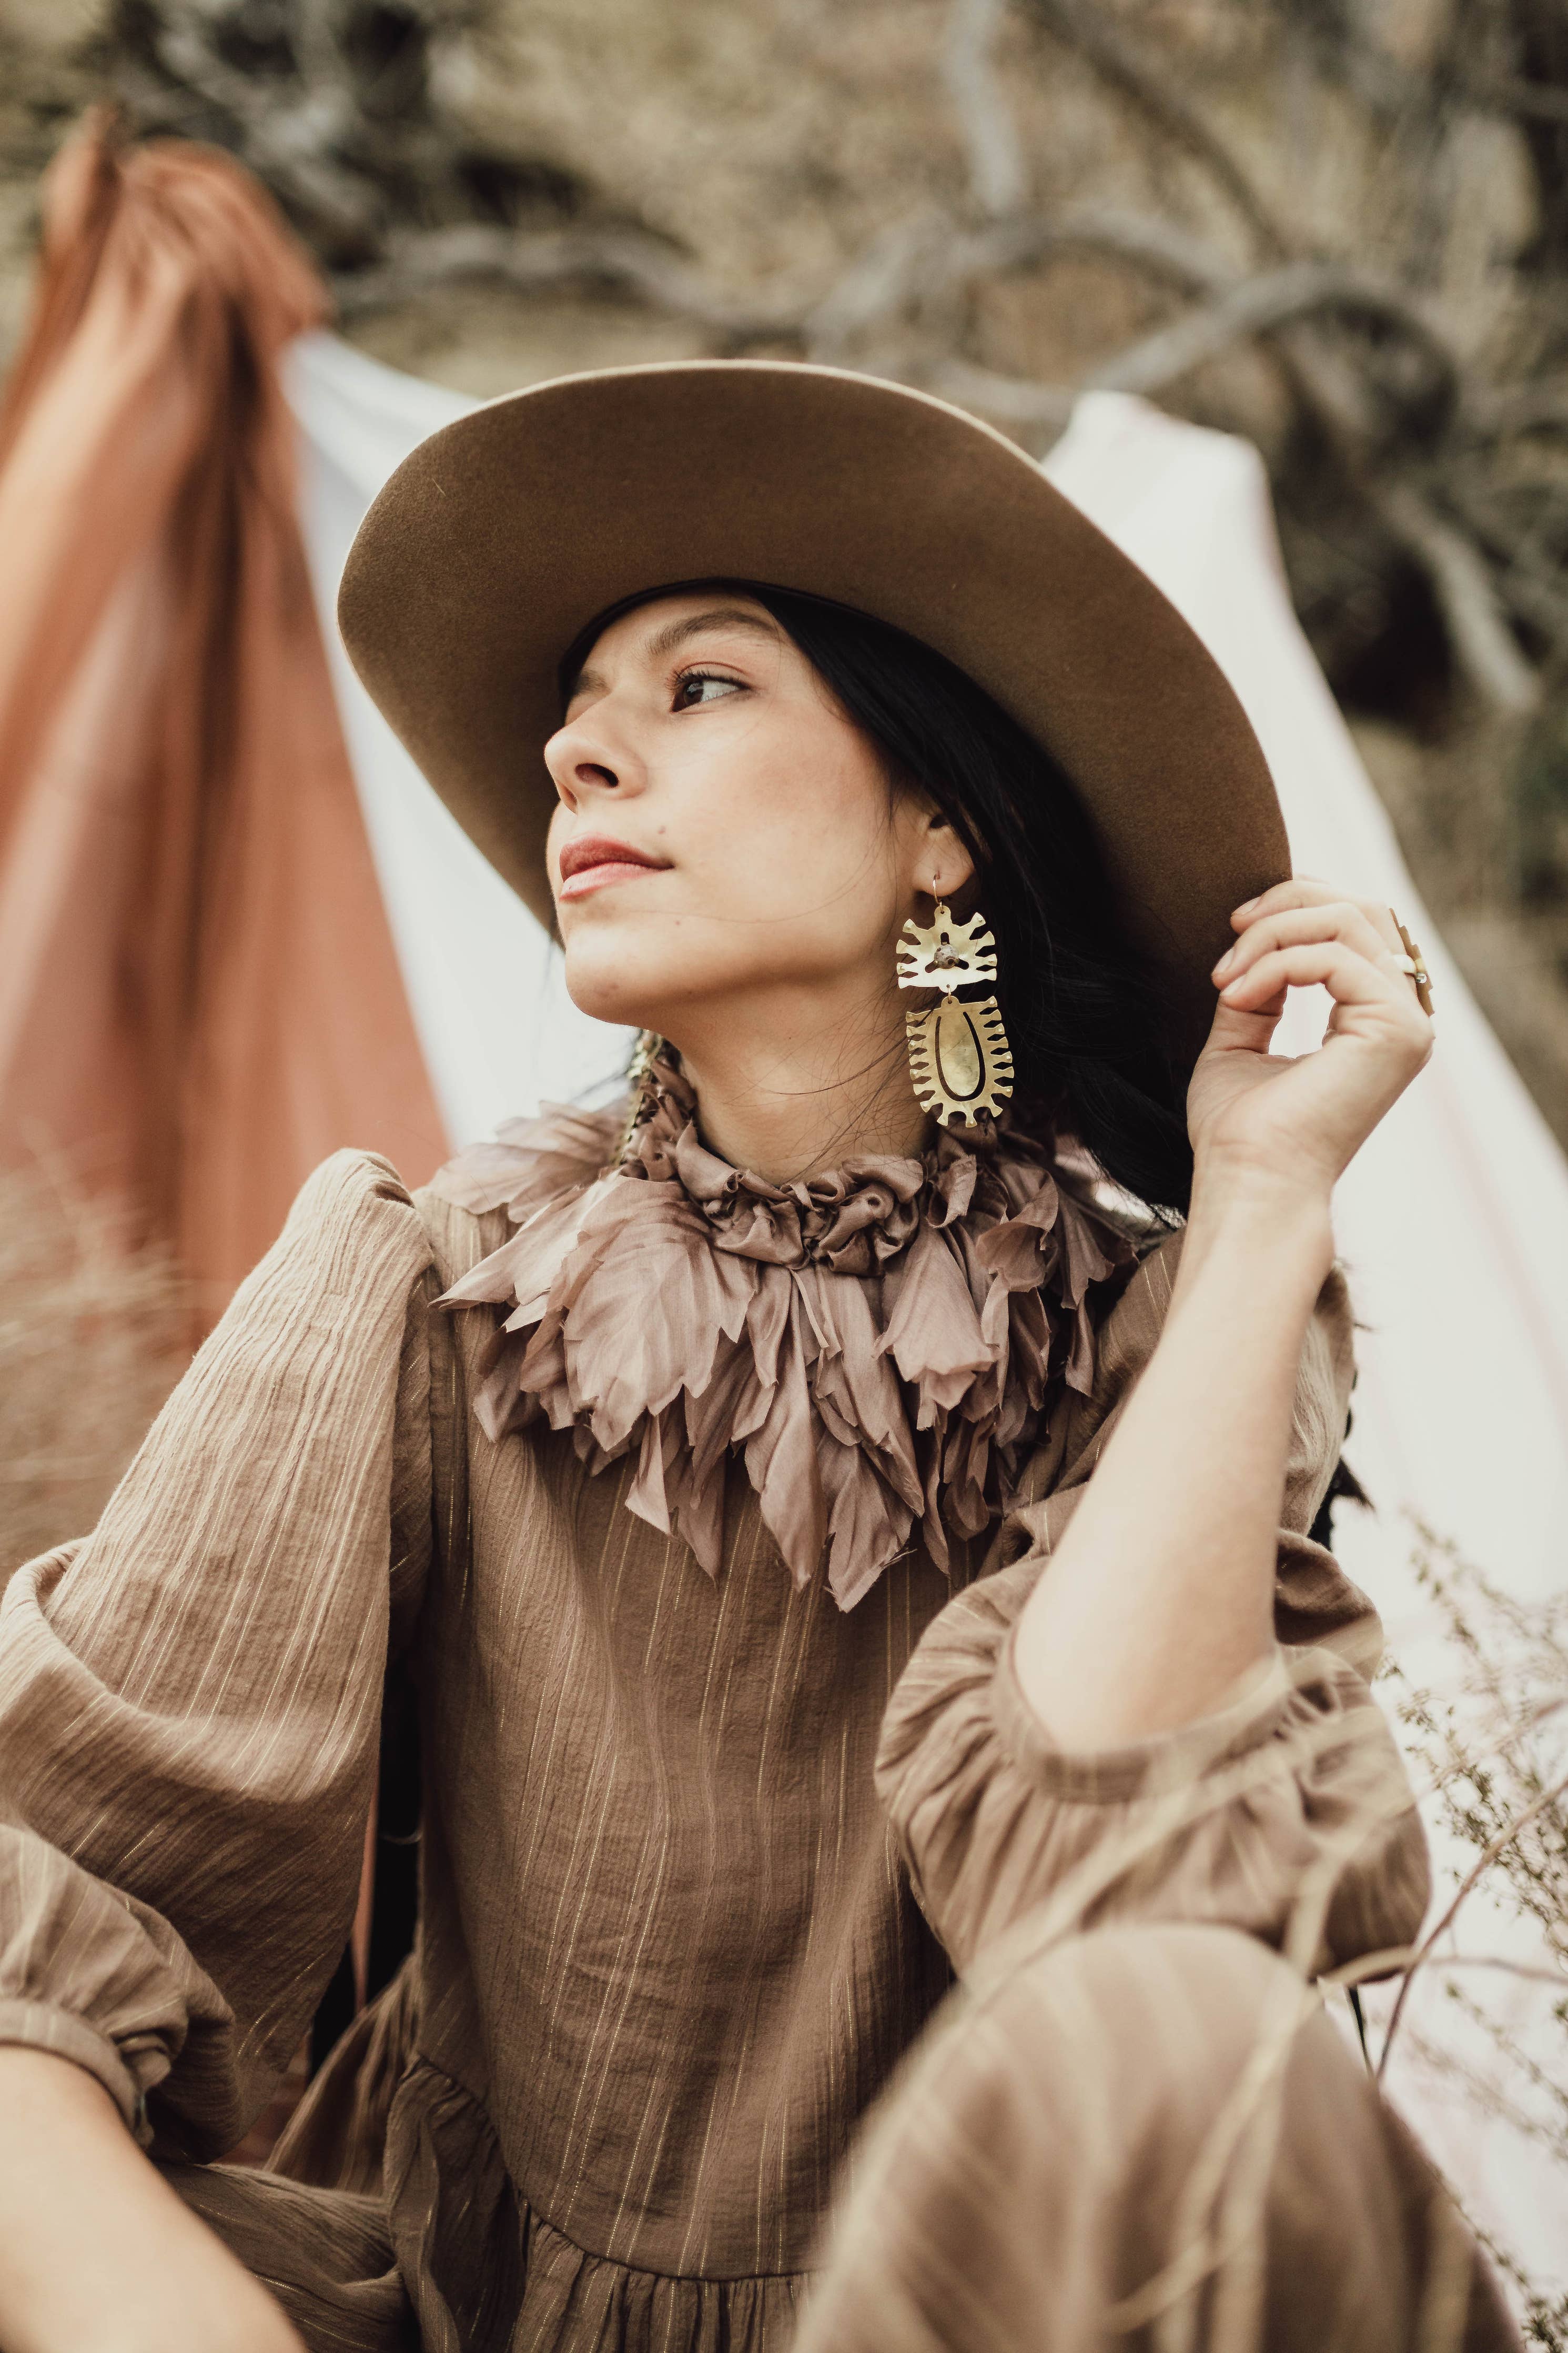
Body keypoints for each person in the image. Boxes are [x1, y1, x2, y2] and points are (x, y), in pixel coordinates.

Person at [0, 363, 1512, 2353]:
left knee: (1196, 2048)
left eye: (696, 689)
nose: (577, 757)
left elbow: (1116, 1883)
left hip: (998, 2310)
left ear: (939, 833)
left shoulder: (1189, 1324)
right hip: (479, 2323)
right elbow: (50, 1923)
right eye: (575, 715)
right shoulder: (424, 1283)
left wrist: (1257, 1206)